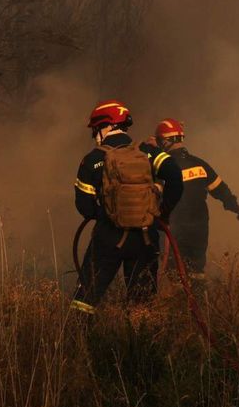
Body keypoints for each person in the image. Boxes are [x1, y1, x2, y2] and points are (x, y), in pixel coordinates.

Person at [70, 100, 184, 315]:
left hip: (108, 238)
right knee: (142, 307)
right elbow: (175, 178)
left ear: (106, 126)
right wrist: (161, 212)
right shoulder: (148, 151)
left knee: (84, 301)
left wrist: (106, 214)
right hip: (145, 238)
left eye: (96, 129)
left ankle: (78, 340)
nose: (95, 135)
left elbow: (84, 206)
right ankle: (140, 344)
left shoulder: (91, 159)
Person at [150, 118, 239, 288]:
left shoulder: (163, 168)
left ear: (164, 142)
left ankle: (180, 310)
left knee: (176, 274)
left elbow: (152, 194)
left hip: (173, 230)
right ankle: (200, 309)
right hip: (199, 229)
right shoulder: (200, 164)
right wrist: (235, 207)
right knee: (196, 273)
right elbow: (220, 190)